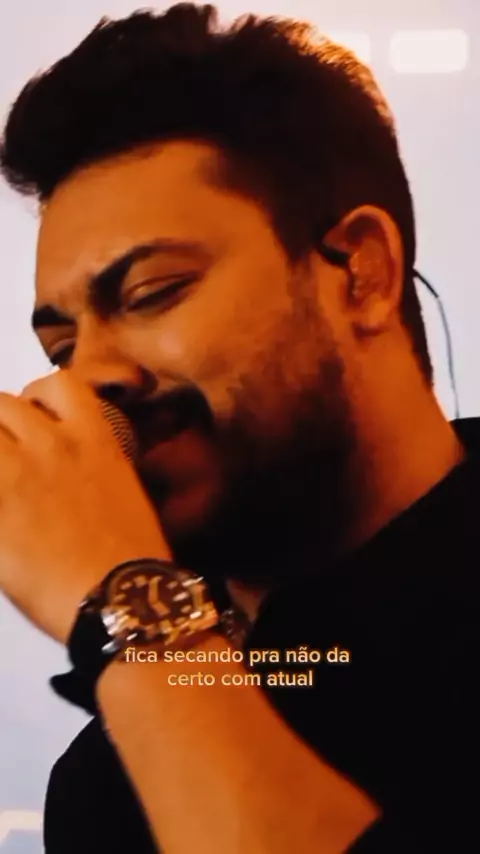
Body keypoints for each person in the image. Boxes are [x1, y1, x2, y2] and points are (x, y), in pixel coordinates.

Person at [0, 3, 477, 852]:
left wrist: (125, 601)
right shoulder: (105, 783)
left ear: (362, 272)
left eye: (152, 293)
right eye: (61, 346)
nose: (89, 376)